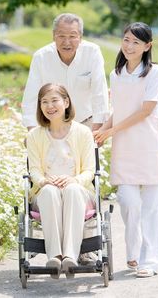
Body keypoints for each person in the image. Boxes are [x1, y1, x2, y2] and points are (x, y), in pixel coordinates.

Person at [93, 22, 158, 278]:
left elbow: (146, 110)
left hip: (149, 145)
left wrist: (112, 131)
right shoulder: (116, 74)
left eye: (136, 42)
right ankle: (133, 253)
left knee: (151, 207)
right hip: (124, 147)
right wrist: (103, 130)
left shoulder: (155, 73)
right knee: (128, 202)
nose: (129, 46)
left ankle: (150, 261)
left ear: (148, 46)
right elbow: (121, 110)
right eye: (126, 40)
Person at [26, 83, 96, 279]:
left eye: (54, 100)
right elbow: (34, 170)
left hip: (79, 190)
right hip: (46, 191)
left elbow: (90, 170)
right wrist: (43, 182)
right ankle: (55, 257)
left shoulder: (83, 132)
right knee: (49, 192)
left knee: (72, 190)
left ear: (66, 102)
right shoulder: (34, 135)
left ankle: (70, 257)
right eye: (44, 102)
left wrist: (73, 179)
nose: (50, 106)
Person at [22, 13, 109, 132]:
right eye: (61, 36)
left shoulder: (92, 52)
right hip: (52, 125)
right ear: (53, 36)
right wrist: (32, 131)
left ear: (81, 37)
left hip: (86, 123)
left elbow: (100, 92)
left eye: (73, 36)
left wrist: (98, 129)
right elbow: (31, 97)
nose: (67, 42)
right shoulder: (41, 57)